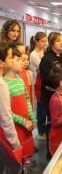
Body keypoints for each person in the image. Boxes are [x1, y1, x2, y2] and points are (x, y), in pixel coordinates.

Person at [4, 47, 36, 172]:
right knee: (16, 155)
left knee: (26, 152)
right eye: (18, 59)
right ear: (9, 62)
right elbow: (6, 113)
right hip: (16, 127)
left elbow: (27, 99)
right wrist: (23, 121)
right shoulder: (4, 83)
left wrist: (32, 118)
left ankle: (25, 166)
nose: (22, 61)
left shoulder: (20, 80)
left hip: (26, 125)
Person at [39, 32, 62, 160]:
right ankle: (50, 151)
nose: (61, 42)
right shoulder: (46, 59)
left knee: (60, 122)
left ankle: (59, 148)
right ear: (51, 43)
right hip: (50, 96)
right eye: (58, 41)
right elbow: (47, 77)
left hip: (61, 95)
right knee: (52, 123)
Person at [0, 42, 22, 174]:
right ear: (1, 63)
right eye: (10, 57)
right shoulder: (2, 85)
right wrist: (15, 143)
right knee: (13, 167)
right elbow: (6, 118)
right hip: (3, 138)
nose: (13, 58)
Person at [29, 32, 47, 138]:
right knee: (41, 109)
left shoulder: (43, 52)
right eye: (43, 41)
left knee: (44, 107)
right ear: (36, 41)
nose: (45, 43)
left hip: (44, 83)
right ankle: (41, 132)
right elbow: (43, 67)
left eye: (46, 41)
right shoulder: (33, 54)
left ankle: (43, 130)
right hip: (37, 84)